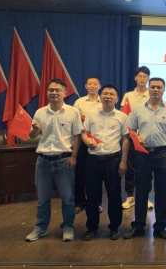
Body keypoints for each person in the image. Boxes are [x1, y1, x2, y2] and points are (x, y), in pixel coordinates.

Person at [25, 79, 83, 243]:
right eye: (51, 90)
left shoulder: (73, 112)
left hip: (64, 161)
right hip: (43, 161)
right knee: (43, 199)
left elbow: (77, 136)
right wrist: (34, 130)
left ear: (65, 93)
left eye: (58, 90)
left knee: (67, 198)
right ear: (47, 92)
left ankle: (68, 227)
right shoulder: (40, 112)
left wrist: (74, 156)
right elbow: (32, 136)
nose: (54, 93)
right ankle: (41, 227)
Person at [124, 78, 166, 241]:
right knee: (141, 190)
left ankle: (160, 227)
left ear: (164, 90)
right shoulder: (138, 109)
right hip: (142, 154)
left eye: (159, 87)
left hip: (163, 153)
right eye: (153, 87)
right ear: (148, 89)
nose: (155, 89)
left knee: (161, 191)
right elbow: (130, 130)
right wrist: (136, 138)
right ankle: (138, 226)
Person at [81, 84, 130, 241]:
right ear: (100, 96)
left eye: (112, 94)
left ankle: (114, 227)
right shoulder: (91, 114)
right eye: (105, 93)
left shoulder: (122, 117)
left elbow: (125, 139)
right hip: (93, 160)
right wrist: (87, 142)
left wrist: (123, 161)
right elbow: (84, 133)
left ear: (117, 98)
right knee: (92, 196)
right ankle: (91, 227)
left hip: (113, 160)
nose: (108, 96)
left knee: (114, 195)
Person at [120, 66, 153, 211]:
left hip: (146, 137)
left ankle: (145, 197)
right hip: (131, 136)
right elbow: (123, 114)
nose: (142, 79)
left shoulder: (151, 94)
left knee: (146, 169)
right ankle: (130, 196)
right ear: (135, 78)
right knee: (130, 167)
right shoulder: (128, 95)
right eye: (140, 76)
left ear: (148, 78)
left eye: (145, 76)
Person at [73, 76, 102, 214]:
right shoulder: (79, 102)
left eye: (95, 84)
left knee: (97, 173)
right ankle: (79, 202)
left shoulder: (104, 101)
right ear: (86, 86)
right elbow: (74, 120)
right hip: (81, 140)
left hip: (98, 140)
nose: (92, 86)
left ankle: (96, 203)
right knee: (80, 172)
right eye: (89, 84)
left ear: (99, 86)